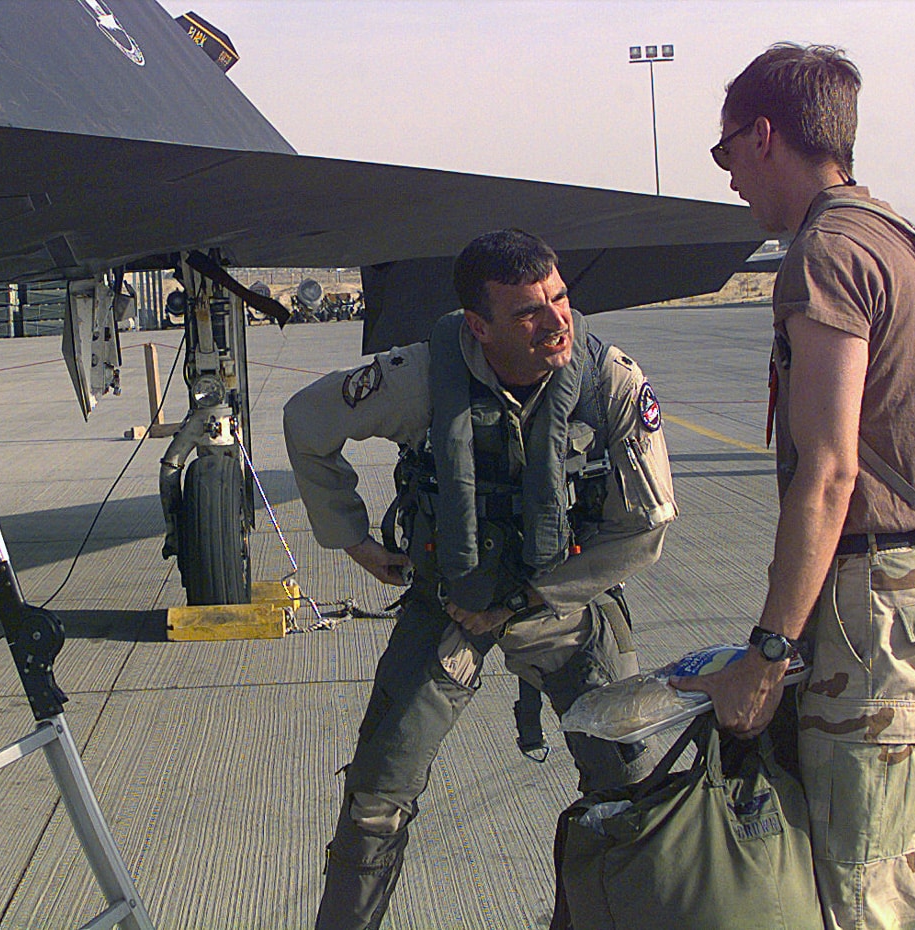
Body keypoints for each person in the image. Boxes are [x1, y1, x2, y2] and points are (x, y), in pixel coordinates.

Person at [283, 228, 676, 930]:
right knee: (376, 798)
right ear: (479, 325)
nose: (557, 322)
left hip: (565, 605)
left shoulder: (608, 381)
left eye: (559, 298)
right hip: (450, 608)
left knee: (630, 787)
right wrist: (350, 538)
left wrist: (532, 597)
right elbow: (307, 420)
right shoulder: (419, 378)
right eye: (528, 312)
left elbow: (647, 525)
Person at [677, 43, 915, 930]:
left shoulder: (828, 252)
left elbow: (830, 468)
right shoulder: (895, 236)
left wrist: (766, 656)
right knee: (899, 891)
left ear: (764, 136)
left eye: (726, 152)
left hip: (873, 609)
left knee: (859, 906)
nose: (730, 177)